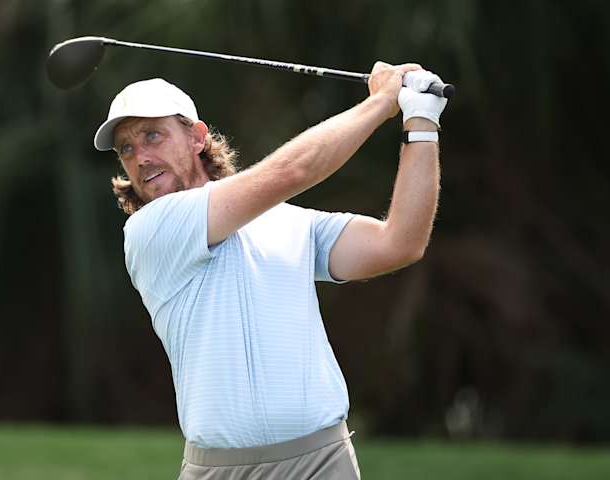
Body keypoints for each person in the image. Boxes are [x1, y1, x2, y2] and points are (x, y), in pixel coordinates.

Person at [93, 62, 447, 479]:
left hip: (323, 461)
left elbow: (400, 242)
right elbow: (293, 171)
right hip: (221, 471)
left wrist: (422, 121)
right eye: (126, 148)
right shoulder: (150, 231)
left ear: (197, 137)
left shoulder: (289, 222)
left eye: (152, 135)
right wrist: (383, 101)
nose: (141, 158)